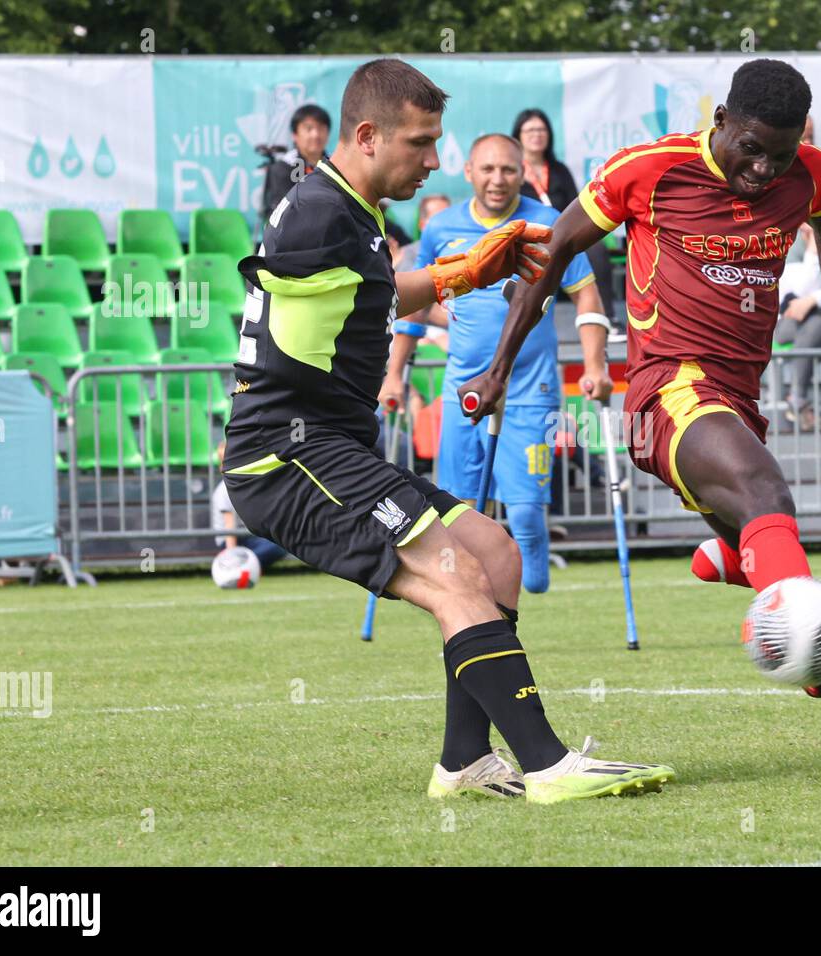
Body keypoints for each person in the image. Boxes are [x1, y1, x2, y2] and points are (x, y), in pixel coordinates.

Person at [223, 58, 670, 803]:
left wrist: (459, 272)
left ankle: (465, 760)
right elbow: (315, 304)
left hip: (331, 447)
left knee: (493, 554)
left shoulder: (348, 210)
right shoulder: (313, 214)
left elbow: (373, 290)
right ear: (367, 136)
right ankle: (549, 764)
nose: (434, 161)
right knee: (453, 578)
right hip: (287, 455)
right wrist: (462, 272)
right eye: (420, 143)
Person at [460, 59, 821, 699]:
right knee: (765, 490)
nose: (763, 171)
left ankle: (734, 564)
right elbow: (553, 251)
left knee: (758, 522)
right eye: (751, 150)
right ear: (720, 121)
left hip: (738, 398)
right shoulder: (649, 169)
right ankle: (815, 647)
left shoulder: (810, 173)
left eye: (779, 156)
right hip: (666, 389)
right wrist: (497, 368)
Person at [381, 134, 606, 594]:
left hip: (530, 387)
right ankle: (479, 599)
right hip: (463, 384)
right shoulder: (442, 228)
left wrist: (594, 364)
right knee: (461, 508)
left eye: (507, 169)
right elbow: (418, 309)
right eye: (487, 169)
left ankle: (533, 555)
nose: (497, 179)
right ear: (469, 173)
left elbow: (585, 292)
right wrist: (393, 374)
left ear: (523, 171)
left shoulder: (550, 223)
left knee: (523, 509)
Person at [512, 108, 617, 317]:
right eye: (530, 130)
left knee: (596, 249)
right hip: (529, 235)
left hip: (562, 233)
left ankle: (606, 318)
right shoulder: (512, 171)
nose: (537, 135)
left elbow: (576, 206)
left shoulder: (560, 169)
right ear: (519, 136)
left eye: (542, 130)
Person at [774, 222, 821, 432]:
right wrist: (812, 250)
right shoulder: (788, 249)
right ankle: (797, 399)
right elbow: (802, 289)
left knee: (818, 323)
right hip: (787, 324)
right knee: (818, 324)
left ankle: (797, 399)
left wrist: (814, 300)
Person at [211, 442, 287, 571]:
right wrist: (231, 555)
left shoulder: (245, 485)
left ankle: (245, 564)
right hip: (230, 540)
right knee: (275, 547)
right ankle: (238, 565)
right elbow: (229, 529)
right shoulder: (224, 490)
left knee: (280, 546)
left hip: (249, 536)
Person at [262, 103, 332, 221]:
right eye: (309, 128)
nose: (315, 135)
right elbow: (282, 215)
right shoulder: (283, 168)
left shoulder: (336, 166)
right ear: (295, 135)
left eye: (321, 128)